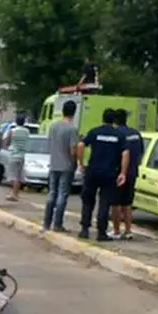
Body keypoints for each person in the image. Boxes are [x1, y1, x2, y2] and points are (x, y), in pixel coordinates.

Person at [77, 108, 129, 241]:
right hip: (110, 173)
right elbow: (125, 153)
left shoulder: (95, 132)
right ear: (114, 121)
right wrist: (123, 173)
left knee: (88, 201)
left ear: (103, 118)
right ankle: (101, 232)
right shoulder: (118, 136)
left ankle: (84, 229)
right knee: (104, 203)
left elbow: (81, 145)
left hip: (93, 171)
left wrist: (80, 163)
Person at [42, 99, 79, 232]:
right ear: (74, 112)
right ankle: (57, 224)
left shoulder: (53, 126)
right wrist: (76, 162)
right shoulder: (72, 129)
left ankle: (46, 223)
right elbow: (73, 149)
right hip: (66, 165)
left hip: (53, 164)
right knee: (62, 195)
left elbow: (49, 144)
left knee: (52, 193)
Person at [111, 108, 144, 239]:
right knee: (127, 203)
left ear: (115, 121)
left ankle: (116, 231)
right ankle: (128, 231)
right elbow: (141, 153)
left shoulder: (117, 134)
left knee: (115, 203)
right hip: (133, 172)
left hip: (119, 173)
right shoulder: (136, 133)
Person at [4, 114, 30, 202]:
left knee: (13, 176)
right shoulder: (27, 131)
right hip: (22, 155)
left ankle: (14, 195)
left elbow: (7, 142)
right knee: (18, 176)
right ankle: (16, 194)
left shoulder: (12, 131)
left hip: (13, 155)